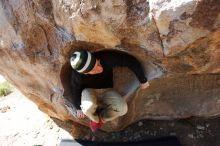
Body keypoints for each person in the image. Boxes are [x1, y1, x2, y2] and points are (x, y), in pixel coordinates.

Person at [69, 49, 149, 128]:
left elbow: (129, 61)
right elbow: (75, 88)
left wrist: (143, 80)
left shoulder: (105, 58)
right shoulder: (78, 76)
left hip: (107, 89)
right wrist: (78, 107)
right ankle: (95, 120)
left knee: (123, 109)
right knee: (87, 109)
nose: (100, 68)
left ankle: (102, 119)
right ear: (86, 73)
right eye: (94, 69)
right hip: (89, 90)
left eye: (98, 63)